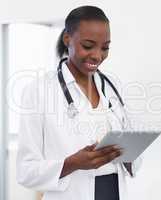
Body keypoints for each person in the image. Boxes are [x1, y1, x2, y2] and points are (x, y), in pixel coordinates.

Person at [16, 5, 142, 200]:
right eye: (88, 46)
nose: (97, 55)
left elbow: (135, 159)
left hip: (115, 192)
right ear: (68, 38)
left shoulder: (112, 85)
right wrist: (72, 163)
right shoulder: (39, 91)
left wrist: (124, 154)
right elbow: (26, 171)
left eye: (105, 47)